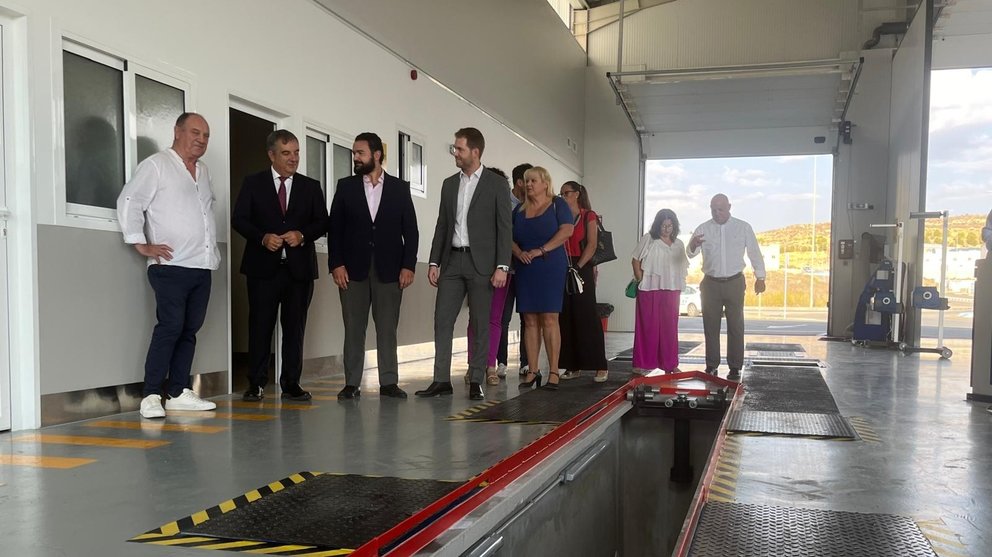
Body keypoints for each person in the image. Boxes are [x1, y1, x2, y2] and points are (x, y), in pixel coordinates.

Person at [117, 112, 219, 419]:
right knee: (170, 327)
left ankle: (176, 392)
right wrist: (141, 243)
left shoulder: (203, 172)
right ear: (177, 131)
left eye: (206, 135)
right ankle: (150, 394)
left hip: (202, 266)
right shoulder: (157, 165)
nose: (201, 140)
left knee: (189, 330)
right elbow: (129, 201)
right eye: (195, 132)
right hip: (170, 266)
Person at [415, 128, 512, 401]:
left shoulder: (496, 184)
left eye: (459, 149)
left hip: (483, 264)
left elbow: (505, 228)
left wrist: (502, 266)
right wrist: (434, 261)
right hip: (452, 261)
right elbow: (442, 225)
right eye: (455, 149)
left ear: (475, 152)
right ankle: (441, 380)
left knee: (481, 323)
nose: (455, 153)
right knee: (442, 320)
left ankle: (476, 379)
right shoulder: (449, 184)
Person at [232, 129, 327, 402]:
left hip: (299, 272)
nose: (293, 158)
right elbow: (239, 219)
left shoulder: (311, 186)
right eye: (286, 153)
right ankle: (256, 384)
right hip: (263, 270)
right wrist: (262, 238)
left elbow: (322, 221)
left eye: (296, 152)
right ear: (271, 154)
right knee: (260, 326)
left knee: (295, 328)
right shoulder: (254, 183)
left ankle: (291, 384)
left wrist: (302, 235)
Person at [328, 132, 418, 399]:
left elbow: (410, 231)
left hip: (389, 270)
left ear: (377, 155)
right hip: (352, 271)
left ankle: (388, 382)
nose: (355, 158)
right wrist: (336, 264)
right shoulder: (345, 187)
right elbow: (335, 229)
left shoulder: (400, 188)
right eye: (354, 153)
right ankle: (352, 383)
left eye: (360, 153)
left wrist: (408, 266)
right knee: (353, 327)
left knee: (387, 327)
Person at [687, 194, 766, 381]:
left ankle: (735, 367)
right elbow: (690, 254)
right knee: (710, 326)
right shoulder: (703, 228)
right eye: (713, 209)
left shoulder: (743, 227)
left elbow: (755, 252)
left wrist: (760, 277)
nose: (717, 213)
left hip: (735, 283)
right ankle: (712, 365)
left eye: (720, 209)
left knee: (736, 326)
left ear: (729, 207)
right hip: (710, 284)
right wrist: (692, 244)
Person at [512, 167, 573, 390]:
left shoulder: (558, 204)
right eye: (526, 181)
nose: (528, 185)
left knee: (549, 318)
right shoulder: (519, 210)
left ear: (545, 183)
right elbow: (507, 236)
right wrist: (518, 252)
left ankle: (554, 371)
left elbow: (567, 231)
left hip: (550, 266)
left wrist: (541, 250)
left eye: (533, 181)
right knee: (529, 320)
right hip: (525, 267)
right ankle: (533, 371)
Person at [465, 167, 513, 386]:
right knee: (475, 319)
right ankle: (472, 365)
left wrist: (502, 266)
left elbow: (507, 236)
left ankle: (490, 366)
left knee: (494, 318)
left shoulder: (509, 207)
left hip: (501, 268)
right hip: (475, 267)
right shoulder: (471, 206)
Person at [558, 182, 609, 382]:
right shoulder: (560, 215)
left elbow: (592, 244)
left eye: (566, 193)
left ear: (577, 194)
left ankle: (600, 365)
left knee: (587, 314)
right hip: (563, 265)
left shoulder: (589, 215)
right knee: (565, 316)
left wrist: (578, 266)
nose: (563, 196)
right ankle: (572, 366)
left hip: (582, 266)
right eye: (561, 193)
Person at [632, 209, 689, 375]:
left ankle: (670, 364)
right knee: (647, 327)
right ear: (658, 225)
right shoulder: (649, 239)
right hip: (649, 289)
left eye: (670, 225)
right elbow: (635, 260)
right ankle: (641, 363)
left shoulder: (679, 244)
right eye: (663, 225)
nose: (666, 229)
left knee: (670, 328)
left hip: (672, 290)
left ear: (674, 226)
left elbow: (682, 266)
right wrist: (640, 279)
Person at [501, 163, 532, 377]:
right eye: (528, 180)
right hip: (505, 268)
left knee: (527, 317)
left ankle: (526, 362)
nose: (531, 185)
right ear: (519, 182)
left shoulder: (533, 204)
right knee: (502, 317)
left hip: (527, 268)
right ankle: (500, 361)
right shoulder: (503, 202)